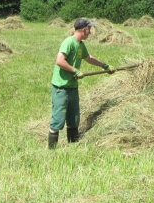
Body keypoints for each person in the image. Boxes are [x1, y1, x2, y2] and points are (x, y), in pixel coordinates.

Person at [48, 17, 113, 149]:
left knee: (74, 119)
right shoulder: (69, 42)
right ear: (83, 30)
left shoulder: (81, 45)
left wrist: (104, 66)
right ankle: (51, 151)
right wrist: (75, 70)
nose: (90, 32)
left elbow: (88, 58)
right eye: (89, 29)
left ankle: (73, 147)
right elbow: (59, 61)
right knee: (58, 120)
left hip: (72, 87)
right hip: (61, 88)